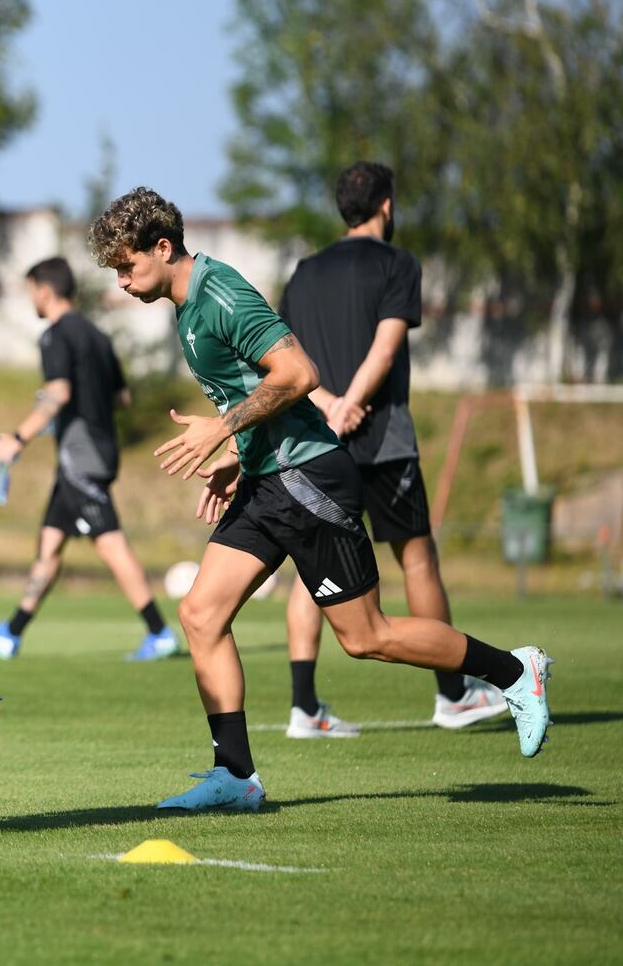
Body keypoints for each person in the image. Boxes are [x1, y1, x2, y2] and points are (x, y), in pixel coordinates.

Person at [87, 186, 551, 813]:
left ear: (162, 247)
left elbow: (299, 375)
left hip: (310, 481)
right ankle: (236, 776)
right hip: (268, 478)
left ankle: (515, 672)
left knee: (366, 638)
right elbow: (256, 394)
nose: (120, 280)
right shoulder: (185, 306)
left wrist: (223, 429)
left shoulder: (220, 292)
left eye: (126, 265)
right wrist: (236, 458)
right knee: (200, 614)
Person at [277, 162, 507, 739]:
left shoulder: (303, 272)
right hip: (381, 436)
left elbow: (284, 353)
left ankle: (304, 708)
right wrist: (350, 401)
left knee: (312, 567)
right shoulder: (397, 263)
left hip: (314, 438)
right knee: (417, 558)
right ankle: (453, 695)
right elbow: (385, 348)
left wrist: (327, 404)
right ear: (386, 205)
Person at [0, 257, 176, 661]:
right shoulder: (97, 335)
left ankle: (160, 632)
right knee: (50, 545)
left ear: (44, 290)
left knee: (111, 543)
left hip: (83, 459)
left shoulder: (55, 336)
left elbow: (59, 393)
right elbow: (122, 397)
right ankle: (11, 632)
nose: (32, 300)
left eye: (31, 292)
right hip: (92, 451)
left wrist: (18, 438)